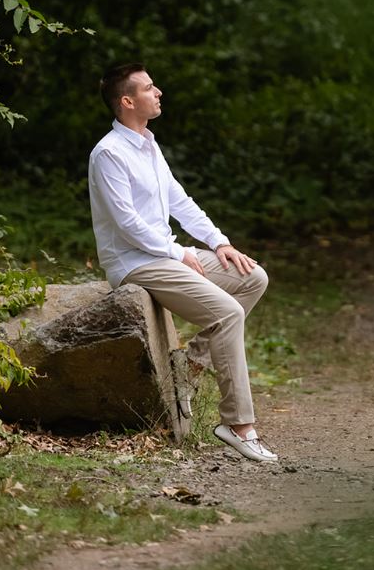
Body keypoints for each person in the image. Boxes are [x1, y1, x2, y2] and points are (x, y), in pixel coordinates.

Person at [88, 62, 277, 462]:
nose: (158, 92)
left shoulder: (149, 145)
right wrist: (179, 252)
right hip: (135, 262)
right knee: (226, 312)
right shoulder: (108, 154)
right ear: (127, 101)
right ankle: (238, 425)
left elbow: (179, 201)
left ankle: (189, 364)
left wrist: (218, 242)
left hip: (166, 253)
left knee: (252, 277)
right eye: (149, 88)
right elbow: (126, 224)